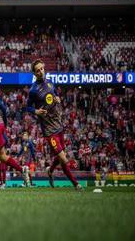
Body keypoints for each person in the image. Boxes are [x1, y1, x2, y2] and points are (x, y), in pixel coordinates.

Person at [27, 59, 82, 191]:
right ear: (34, 73)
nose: (41, 72)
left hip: (58, 124)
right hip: (49, 129)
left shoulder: (50, 82)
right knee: (63, 157)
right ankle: (76, 184)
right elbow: (27, 107)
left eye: (42, 69)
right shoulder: (33, 90)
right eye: (38, 70)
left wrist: (58, 98)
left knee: (60, 156)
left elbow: (55, 95)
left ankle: (50, 171)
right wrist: (36, 111)